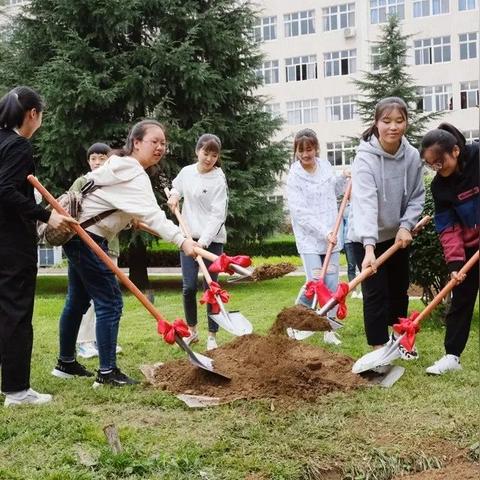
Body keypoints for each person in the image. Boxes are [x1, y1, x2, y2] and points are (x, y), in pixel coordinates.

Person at [51, 119, 197, 387]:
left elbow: (109, 199)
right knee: (110, 303)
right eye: (155, 142)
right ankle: (107, 373)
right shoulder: (133, 172)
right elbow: (154, 215)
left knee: (78, 301)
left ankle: (66, 363)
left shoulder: (121, 166)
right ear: (136, 142)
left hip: (80, 235)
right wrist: (184, 241)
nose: (160, 147)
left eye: (164, 143)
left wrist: (128, 216)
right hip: (88, 238)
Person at [0, 86, 75, 406]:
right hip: (12, 243)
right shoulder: (18, 145)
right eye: (41, 115)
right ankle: (17, 390)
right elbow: (4, 190)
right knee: (16, 313)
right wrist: (47, 216)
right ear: (33, 114)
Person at [348, 97, 425, 357]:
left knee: (398, 289)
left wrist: (406, 226)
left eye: (399, 121)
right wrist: (369, 248)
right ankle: (378, 349)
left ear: (407, 122)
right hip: (364, 238)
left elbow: (417, 195)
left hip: (397, 237)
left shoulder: (412, 156)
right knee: (374, 293)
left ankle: (398, 339)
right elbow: (366, 205)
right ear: (376, 122)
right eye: (387, 121)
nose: (393, 127)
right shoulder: (364, 159)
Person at [420, 123, 479, 375]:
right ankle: (452, 356)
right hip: (470, 249)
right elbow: (448, 229)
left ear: (455, 151)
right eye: (430, 165)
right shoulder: (440, 187)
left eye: (439, 162)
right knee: (461, 301)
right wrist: (455, 265)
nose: (436, 168)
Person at [286, 128, 349, 346]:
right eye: (301, 150)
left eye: (309, 149)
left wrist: (344, 178)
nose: (306, 154)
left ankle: (328, 328)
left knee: (331, 284)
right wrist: (324, 231)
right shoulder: (294, 177)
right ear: (296, 151)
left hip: (331, 237)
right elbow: (301, 213)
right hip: (310, 239)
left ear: (316, 149)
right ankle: (293, 323)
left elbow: (336, 190)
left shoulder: (326, 167)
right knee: (314, 282)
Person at [167, 134, 228, 351]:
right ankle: (193, 331)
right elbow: (176, 187)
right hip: (187, 237)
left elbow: (218, 215)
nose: (209, 158)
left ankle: (212, 335)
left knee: (211, 287)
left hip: (211, 241)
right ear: (197, 151)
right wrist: (174, 196)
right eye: (205, 153)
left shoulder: (218, 180)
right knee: (188, 286)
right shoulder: (187, 172)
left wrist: (202, 243)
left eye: (214, 155)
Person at [69, 142, 122, 359]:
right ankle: (83, 342)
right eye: (93, 158)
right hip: (86, 244)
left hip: (110, 246)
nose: (97, 162)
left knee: (104, 297)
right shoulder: (83, 181)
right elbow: (71, 207)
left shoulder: (113, 184)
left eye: (102, 158)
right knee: (88, 298)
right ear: (88, 161)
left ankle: (102, 342)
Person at [341, 201, 361, 298]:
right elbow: (342, 226)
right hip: (348, 241)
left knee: (362, 266)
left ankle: (363, 291)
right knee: (351, 266)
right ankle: (353, 290)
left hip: (360, 240)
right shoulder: (344, 208)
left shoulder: (360, 203)